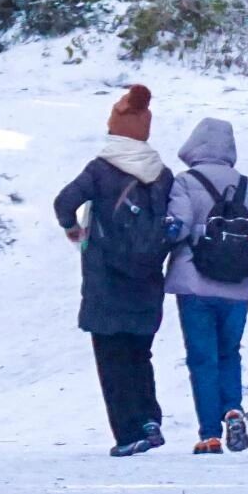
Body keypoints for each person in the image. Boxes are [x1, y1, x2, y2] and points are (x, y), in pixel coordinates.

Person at [53, 85, 174, 458]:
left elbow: (64, 202)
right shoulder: (163, 174)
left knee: (112, 358)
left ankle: (127, 434)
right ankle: (149, 420)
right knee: (140, 353)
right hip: (147, 279)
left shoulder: (101, 170)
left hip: (106, 281)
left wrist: (73, 230)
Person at [166, 117, 248, 455]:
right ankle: (233, 409)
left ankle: (210, 434)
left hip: (195, 285)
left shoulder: (185, 182)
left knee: (202, 358)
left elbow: (179, 228)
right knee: (230, 352)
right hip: (238, 286)